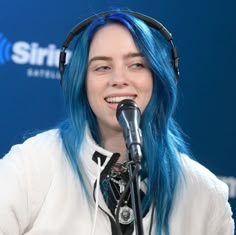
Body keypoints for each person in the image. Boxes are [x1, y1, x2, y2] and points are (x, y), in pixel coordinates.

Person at [0, 9, 234, 235]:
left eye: (136, 65)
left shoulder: (205, 194)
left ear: (158, 77)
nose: (119, 79)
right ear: (81, 82)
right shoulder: (33, 164)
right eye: (102, 67)